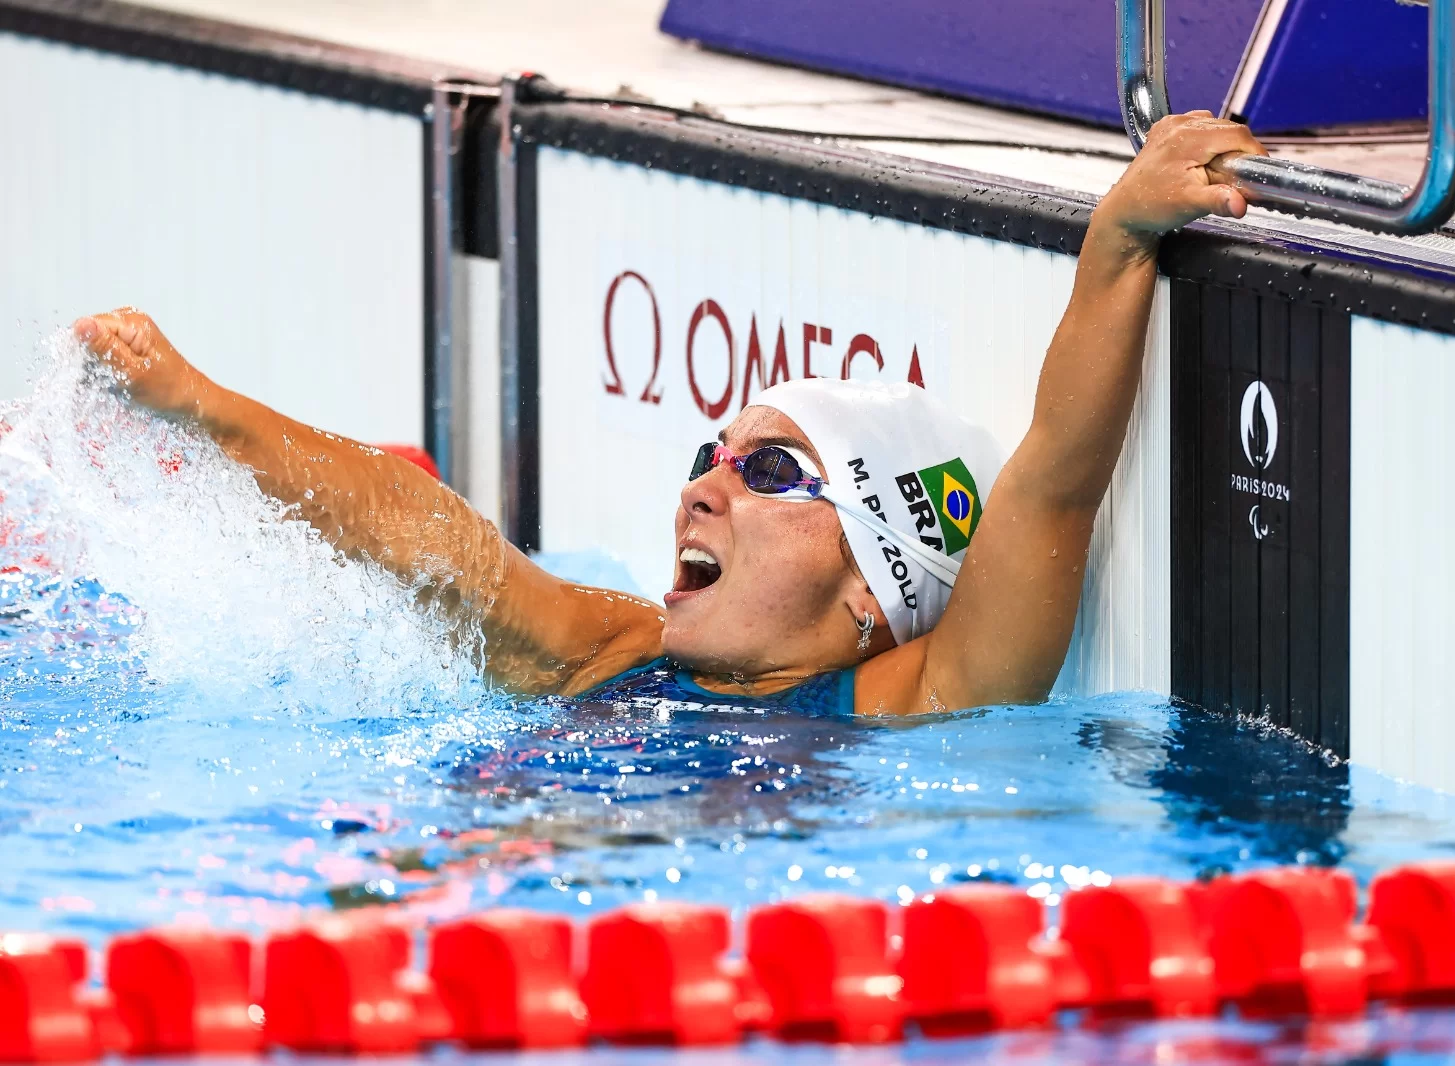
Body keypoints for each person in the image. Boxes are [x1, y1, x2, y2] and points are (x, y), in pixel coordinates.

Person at [74, 112, 1266, 717]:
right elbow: (428, 540)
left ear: (876, 588)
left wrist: (1118, 234)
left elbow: (1053, 479)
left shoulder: (916, 701)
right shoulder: (618, 649)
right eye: (713, 456)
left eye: (775, 473)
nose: (703, 484)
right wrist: (200, 406)